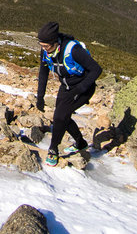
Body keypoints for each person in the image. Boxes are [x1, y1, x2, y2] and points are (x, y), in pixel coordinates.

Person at [35, 21, 102, 167]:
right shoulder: (46, 50)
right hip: (66, 86)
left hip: (84, 87)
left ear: (54, 42)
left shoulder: (73, 49)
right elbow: (43, 72)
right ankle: (81, 143)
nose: (44, 49)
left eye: (46, 46)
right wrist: (40, 96)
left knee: (60, 116)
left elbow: (96, 69)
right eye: (42, 46)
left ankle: (53, 149)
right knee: (62, 116)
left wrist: (80, 89)